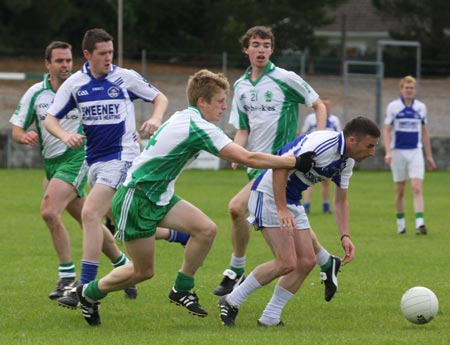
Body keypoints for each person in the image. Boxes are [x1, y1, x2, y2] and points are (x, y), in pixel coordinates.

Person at [69, 69, 308, 327]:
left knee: (206, 229)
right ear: (202, 102)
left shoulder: (185, 117)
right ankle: (89, 293)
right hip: (136, 198)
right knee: (143, 272)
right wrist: (291, 161)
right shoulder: (197, 126)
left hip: (159, 195)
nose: (225, 107)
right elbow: (247, 157)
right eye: (219, 101)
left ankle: (182, 288)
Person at [213, 26, 341, 303]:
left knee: (236, 207)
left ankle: (235, 270)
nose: (261, 50)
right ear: (246, 49)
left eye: (266, 45)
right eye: (256, 45)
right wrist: (238, 150)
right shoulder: (241, 86)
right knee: (292, 218)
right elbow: (244, 128)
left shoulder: (285, 78)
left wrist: (317, 141)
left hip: (280, 163)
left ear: (272, 49)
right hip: (254, 163)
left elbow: (319, 105)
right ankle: (327, 261)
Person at [44, 28, 169, 308]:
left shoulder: (124, 77)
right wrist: (65, 136)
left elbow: (160, 98)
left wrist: (156, 118)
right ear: (87, 55)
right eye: (102, 54)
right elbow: (50, 120)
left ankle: (84, 288)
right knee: (127, 222)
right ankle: (178, 233)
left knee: (89, 213)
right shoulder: (75, 84)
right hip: (94, 163)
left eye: (111, 52)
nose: (109, 59)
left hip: (123, 157)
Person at [219, 116, 381, 327]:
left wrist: (345, 235)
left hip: (292, 199)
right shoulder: (321, 145)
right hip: (268, 194)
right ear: (352, 141)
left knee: (306, 261)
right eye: (369, 146)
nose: (372, 153)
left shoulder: (346, 161)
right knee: (285, 262)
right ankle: (231, 300)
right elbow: (280, 167)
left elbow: (341, 201)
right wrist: (281, 209)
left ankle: (270, 317)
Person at [9, 41, 137, 301]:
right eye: (59, 61)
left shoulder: (82, 87)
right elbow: (16, 130)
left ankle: (67, 277)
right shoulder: (36, 93)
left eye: (68, 60)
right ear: (48, 64)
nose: (66, 65)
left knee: (48, 211)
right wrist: (26, 137)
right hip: (53, 164)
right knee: (88, 219)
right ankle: (123, 267)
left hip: (78, 157)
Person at [383, 75, 436, 235]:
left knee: (416, 187)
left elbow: (424, 132)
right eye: (406, 87)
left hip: (415, 152)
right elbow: (386, 130)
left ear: (414, 90)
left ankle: (420, 224)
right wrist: (388, 152)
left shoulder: (421, 107)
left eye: (411, 87)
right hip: (398, 152)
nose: (409, 90)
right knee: (400, 190)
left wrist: (429, 156)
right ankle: (401, 225)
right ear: (401, 89)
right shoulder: (393, 107)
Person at [301, 98, 341, 214]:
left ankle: (326, 206)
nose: (326, 107)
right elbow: (303, 133)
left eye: (328, 105)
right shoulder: (311, 119)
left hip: (328, 155)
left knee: (326, 181)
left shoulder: (334, 120)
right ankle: (306, 206)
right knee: (308, 180)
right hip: (311, 154)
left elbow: (339, 135)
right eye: (324, 105)